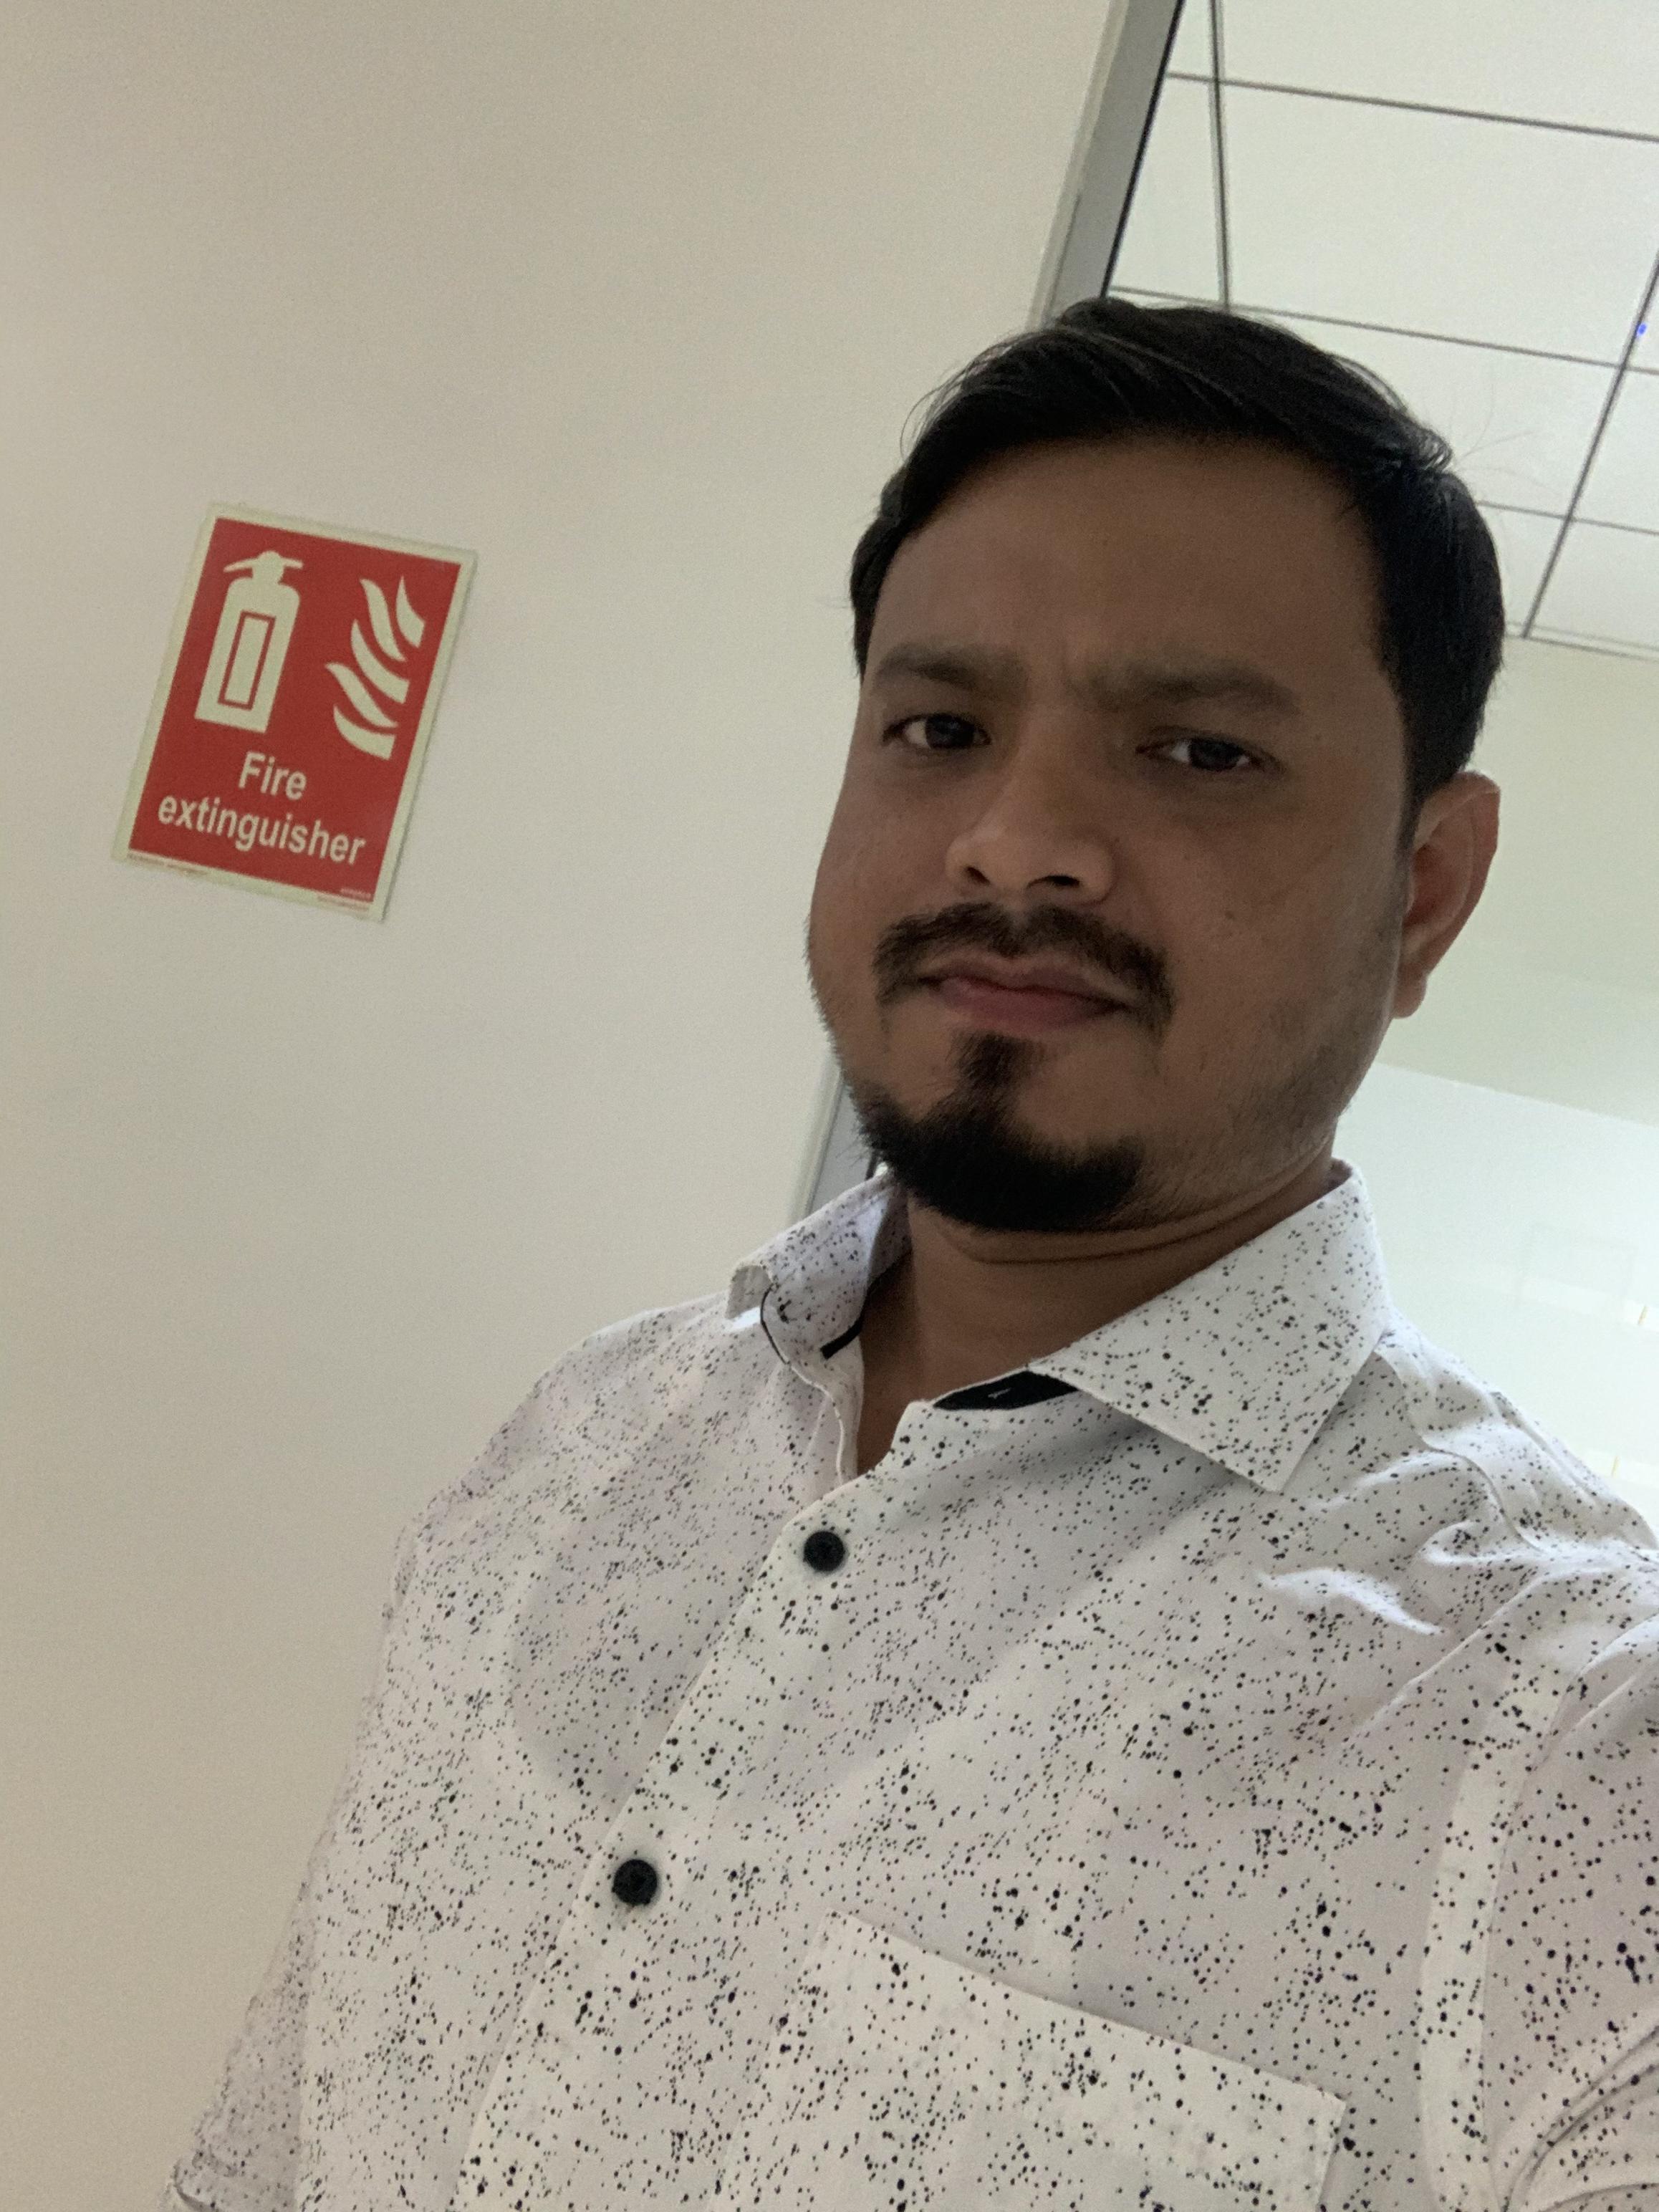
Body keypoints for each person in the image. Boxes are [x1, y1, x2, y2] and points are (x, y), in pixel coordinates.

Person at [163, 300, 1659, 2212]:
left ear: (1424, 892)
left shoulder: (1561, 1735)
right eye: (939, 730)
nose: (1017, 842)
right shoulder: (578, 1445)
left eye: (1199, 751)